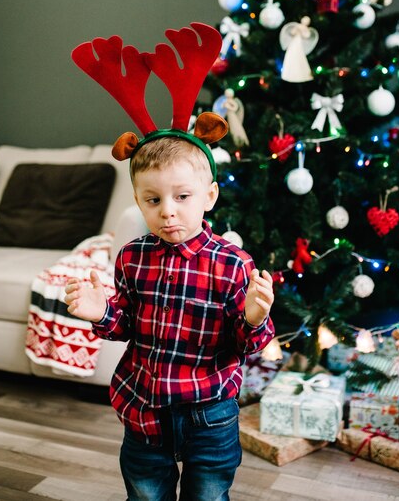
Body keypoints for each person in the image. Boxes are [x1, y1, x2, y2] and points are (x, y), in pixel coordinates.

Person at [64, 135, 275, 501]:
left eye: (182, 196)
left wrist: (254, 318)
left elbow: (245, 345)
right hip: (143, 407)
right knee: (146, 494)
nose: (167, 210)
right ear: (138, 202)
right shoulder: (132, 257)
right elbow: (125, 325)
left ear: (209, 196)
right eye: (153, 199)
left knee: (207, 495)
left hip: (209, 413)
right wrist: (101, 312)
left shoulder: (233, 264)